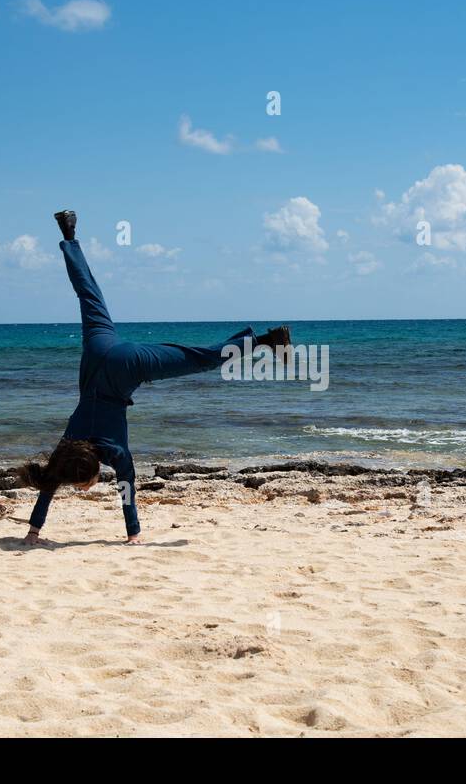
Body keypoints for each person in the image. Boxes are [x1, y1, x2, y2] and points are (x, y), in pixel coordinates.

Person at [19, 210, 289, 545]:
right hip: (99, 349)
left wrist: (133, 534)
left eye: (83, 483)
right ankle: (69, 236)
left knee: (199, 360)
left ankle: (265, 341)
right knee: (88, 294)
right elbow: (51, 482)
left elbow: (126, 487)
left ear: (91, 469)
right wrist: (33, 531)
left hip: (129, 365)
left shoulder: (112, 452)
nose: (82, 487)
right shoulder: (68, 446)